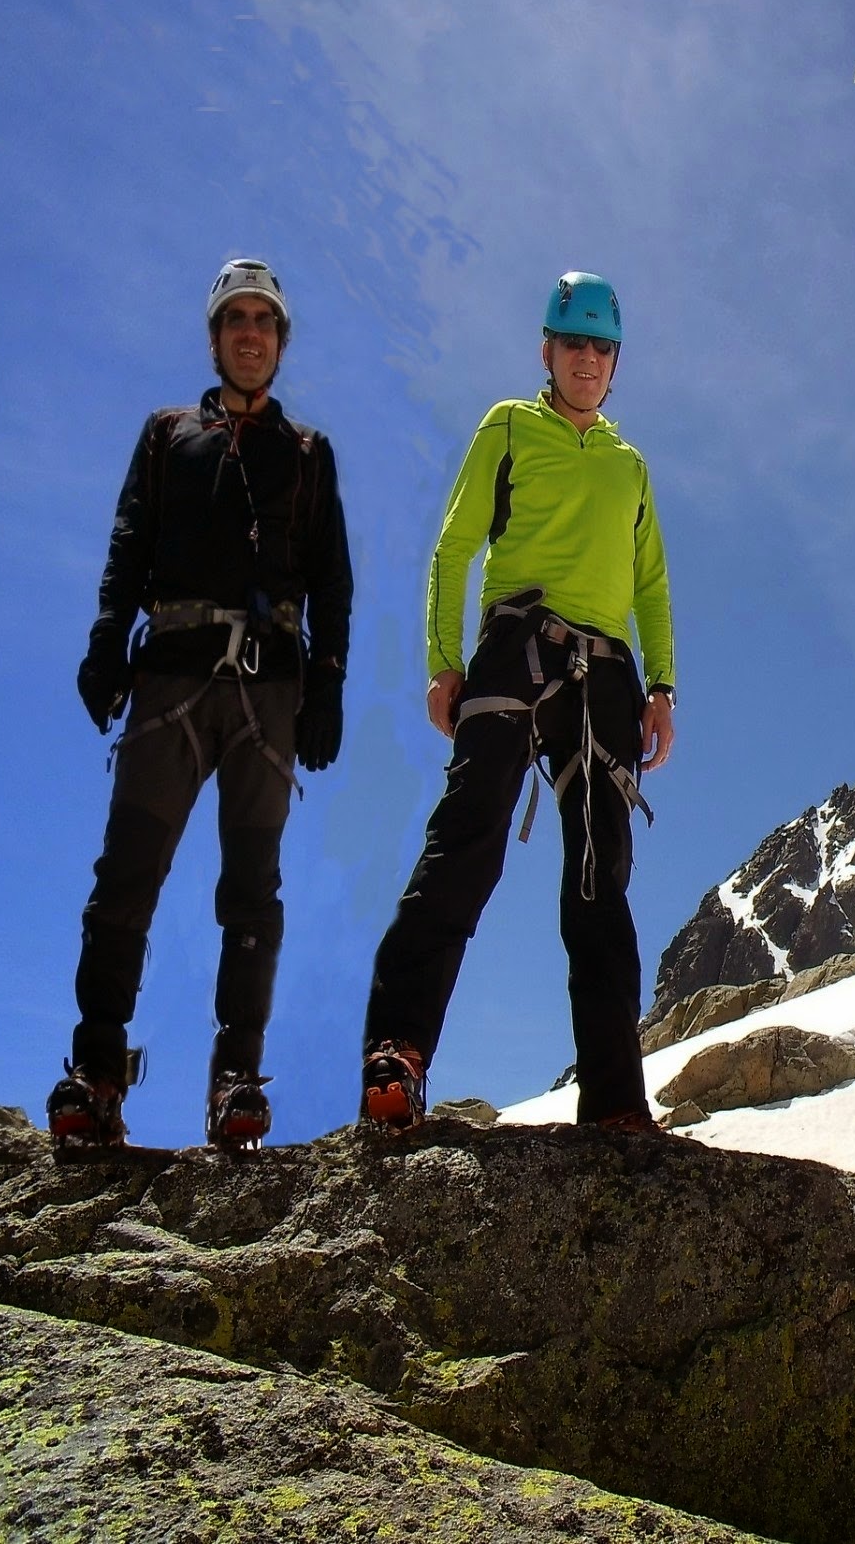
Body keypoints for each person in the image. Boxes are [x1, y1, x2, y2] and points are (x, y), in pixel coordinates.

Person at [359, 271, 676, 1132]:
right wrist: (442, 660)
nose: (587, 360)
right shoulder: (509, 426)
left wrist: (662, 688)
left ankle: (614, 1100)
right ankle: (398, 1054)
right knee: (468, 838)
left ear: (616, 364)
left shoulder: (630, 465)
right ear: (548, 350)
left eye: (602, 348)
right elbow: (456, 545)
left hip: (607, 675)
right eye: (574, 343)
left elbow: (651, 585)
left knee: (599, 879)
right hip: (515, 646)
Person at [50, 258, 353, 1152]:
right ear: (216, 337)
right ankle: (97, 1072)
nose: (251, 333)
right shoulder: (164, 435)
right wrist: (108, 644)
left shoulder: (307, 453)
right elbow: (126, 547)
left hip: (269, 695)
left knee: (251, 895)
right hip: (170, 681)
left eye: (264, 319)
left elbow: (331, 578)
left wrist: (327, 684)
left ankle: (235, 1086)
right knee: (126, 880)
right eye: (236, 320)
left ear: (280, 340)